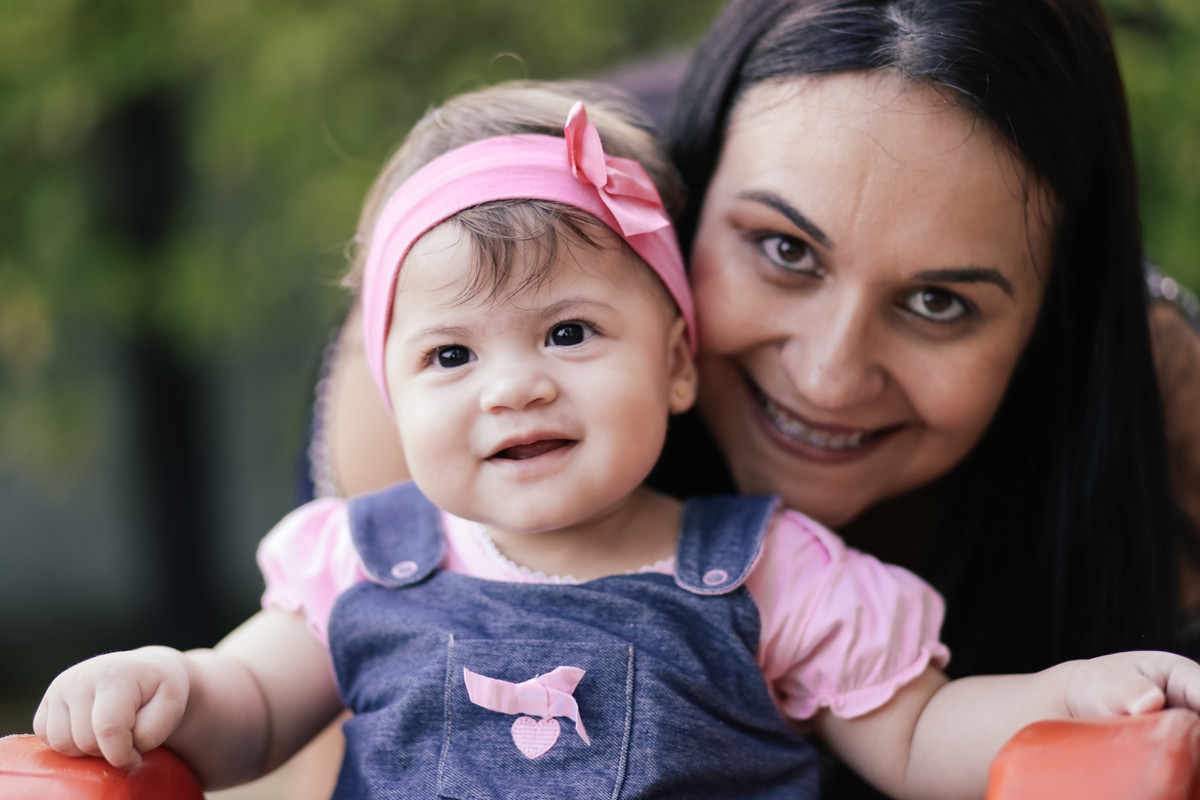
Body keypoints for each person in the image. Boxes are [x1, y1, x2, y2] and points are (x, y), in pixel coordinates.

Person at [32, 79, 1200, 800]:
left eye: (570, 330)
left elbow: (920, 731)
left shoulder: (764, 568)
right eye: (452, 356)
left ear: (679, 360)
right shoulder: (363, 558)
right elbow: (246, 710)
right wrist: (163, 685)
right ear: (391, 391)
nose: (514, 389)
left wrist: (1063, 694)